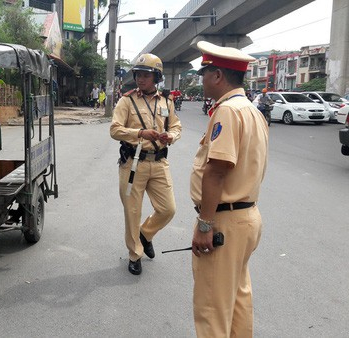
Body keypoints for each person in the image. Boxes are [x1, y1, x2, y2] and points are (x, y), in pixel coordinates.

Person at [190, 41, 269, 338]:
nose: (202, 79)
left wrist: (205, 224)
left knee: (212, 309)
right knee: (237, 299)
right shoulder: (252, 110)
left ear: (218, 76)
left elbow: (217, 171)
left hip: (225, 221)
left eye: (205, 73)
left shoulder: (228, 112)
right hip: (247, 217)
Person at [109, 53, 182, 275]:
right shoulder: (126, 100)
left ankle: (145, 234)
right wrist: (140, 132)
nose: (141, 79)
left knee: (168, 209)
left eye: (146, 75)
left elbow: (177, 126)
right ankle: (135, 254)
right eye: (138, 74)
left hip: (159, 163)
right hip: (133, 164)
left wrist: (171, 136)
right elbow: (114, 130)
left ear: (157, 77)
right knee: (133, 211)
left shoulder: (166, 102)